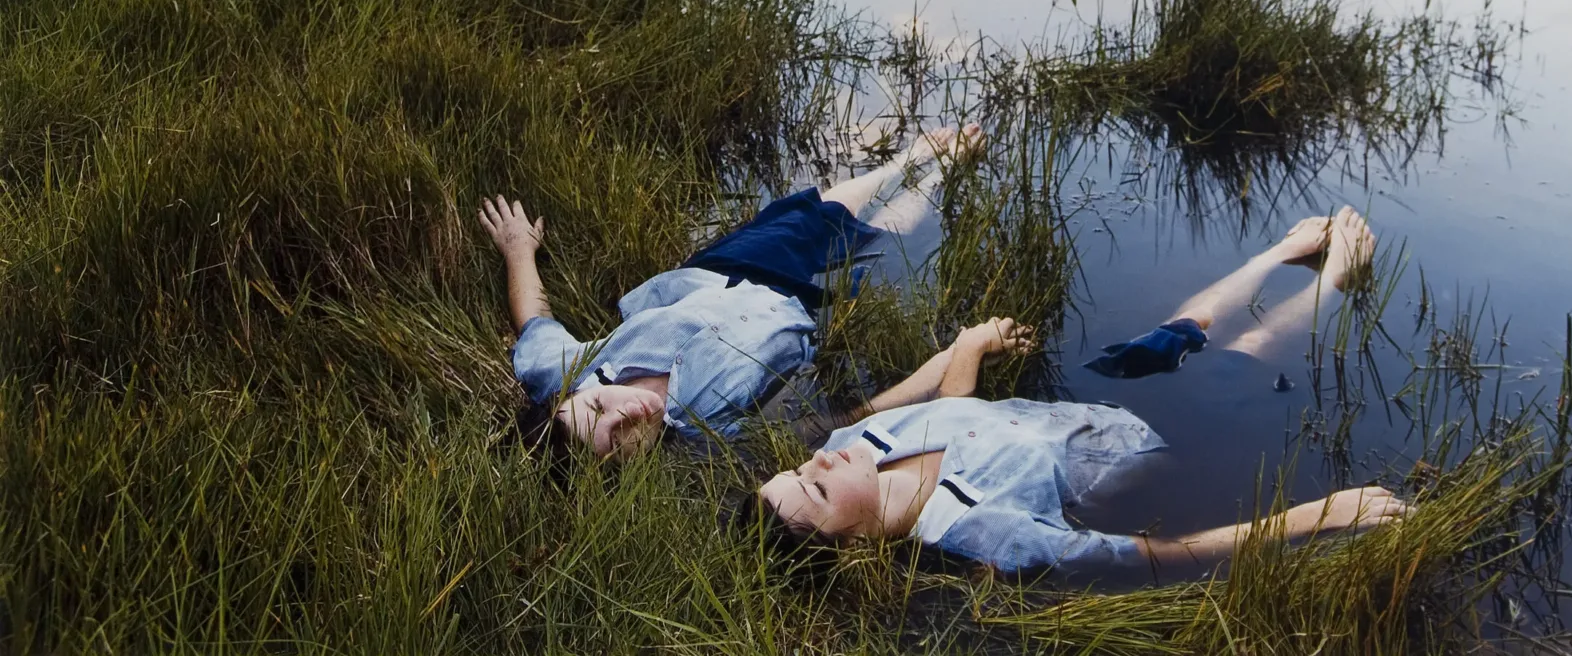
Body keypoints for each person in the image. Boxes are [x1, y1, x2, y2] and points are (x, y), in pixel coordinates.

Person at [750, 207, 1412, 577]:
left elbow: (948, 414)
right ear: (857, 546)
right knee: (1249, 350)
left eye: (798, 469)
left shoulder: (852, 445)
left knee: (1183, 326)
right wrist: (1317, 517)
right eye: (817, 489)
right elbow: (1159, 552)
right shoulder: (983, 537)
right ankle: (1335, 280)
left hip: (1088, 399)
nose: (819, 462)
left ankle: (1273, 256)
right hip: (1151, 441)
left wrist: (971, 347)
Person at [484, 124, 984, 463]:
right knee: (881, 236)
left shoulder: (565, 374)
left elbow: (534, 320)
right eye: (618, 439)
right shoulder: (708, 436)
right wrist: (944, 368)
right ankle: (941, 172)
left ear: (573, 397)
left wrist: (518, 249)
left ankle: (910, 157)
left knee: (817, 209)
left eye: (598, 408)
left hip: (723, 273)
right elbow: (837, 421)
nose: (625, 412)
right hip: (802, 310)